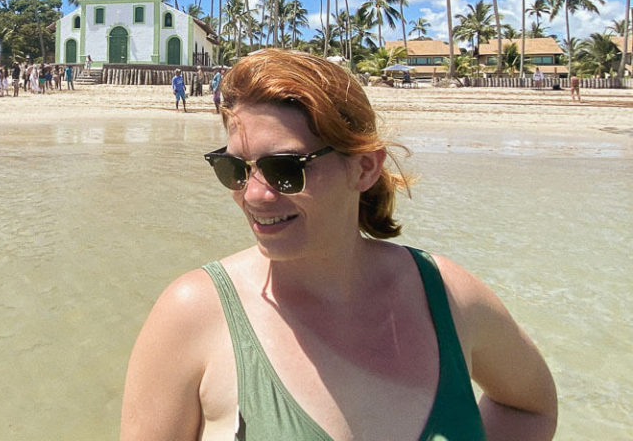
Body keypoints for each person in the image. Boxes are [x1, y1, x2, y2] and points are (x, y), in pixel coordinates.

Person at [121, 49, 557, 441]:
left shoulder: (448, 294)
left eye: (285, 169)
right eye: (235, 168)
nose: (254, 195)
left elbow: (530, 407)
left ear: (364, 168)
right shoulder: (192, 314)